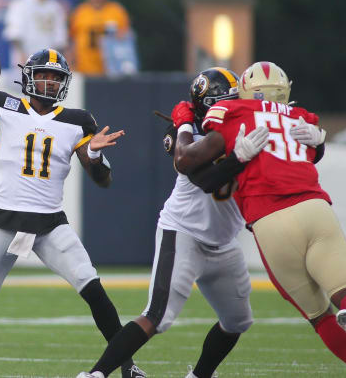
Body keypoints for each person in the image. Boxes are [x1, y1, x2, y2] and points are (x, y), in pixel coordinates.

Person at [171, 61, 346, 378]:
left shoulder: (232, 114)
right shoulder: (300, 117)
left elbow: (188, 161)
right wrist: (320, 144)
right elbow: (311, 152)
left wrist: (184, 127)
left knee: (319, 315)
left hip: (269, 221)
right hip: (315, 208)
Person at [0, 48, 145, 378]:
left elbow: (102, 179)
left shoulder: (77, 120)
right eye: (44, 74)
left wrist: (93, 153)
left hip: (49, 225)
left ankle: (127, 364)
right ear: (28, 76)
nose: (49, 82)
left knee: (93, 288)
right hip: (6, 222)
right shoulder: (2, 106)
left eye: (56, 77)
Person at [76, 68, 257, 378]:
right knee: (157, 316)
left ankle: (199, 375)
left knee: (237, 321)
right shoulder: (187, 134)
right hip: (184, 232)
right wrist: (187, 124)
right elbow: (192, 167)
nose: (233, 107)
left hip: (224, 242)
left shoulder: (245, 131)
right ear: (207, 107)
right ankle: (94, 375)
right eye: (224, 102)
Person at [3, 0, 67, 70]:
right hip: (23, 63)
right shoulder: (21, 3)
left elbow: (60, 41)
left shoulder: (56, 8)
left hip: (48, 65)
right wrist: (22, 56)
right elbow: (14, 34)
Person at [69, 0, 131, 76]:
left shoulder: (117, 11)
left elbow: (126, 41)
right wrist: (71, 66)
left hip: (112, 71)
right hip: (84, 70)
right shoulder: (80, 12)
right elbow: (72, 42)